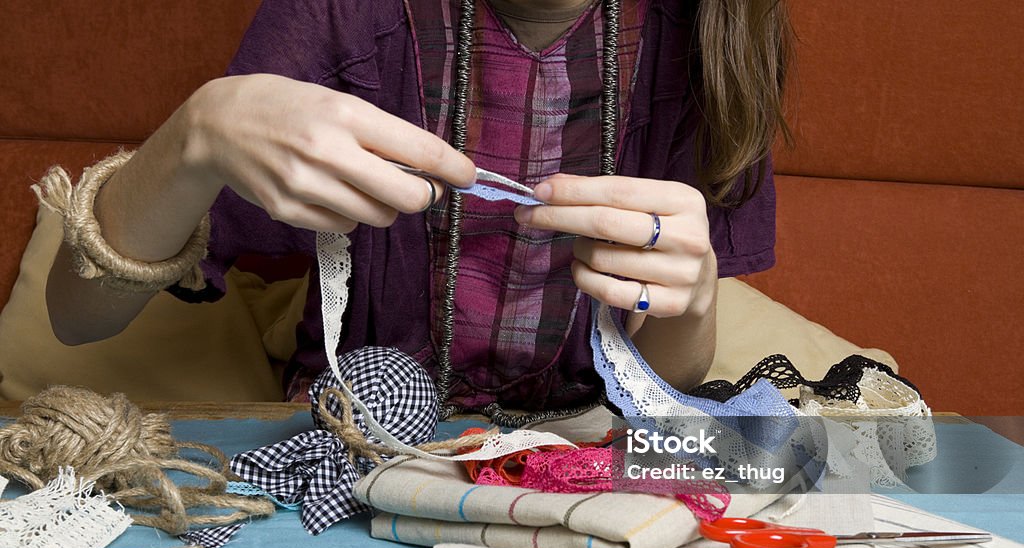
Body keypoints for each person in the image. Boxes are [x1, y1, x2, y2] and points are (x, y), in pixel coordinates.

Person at [43, 0, 790, 420]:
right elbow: (76, 315)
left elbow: (667, 387)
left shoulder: (714, 36)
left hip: (582, 451)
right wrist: (196, 134)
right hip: (353, 441)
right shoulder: (341, 15)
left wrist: (687, 307)